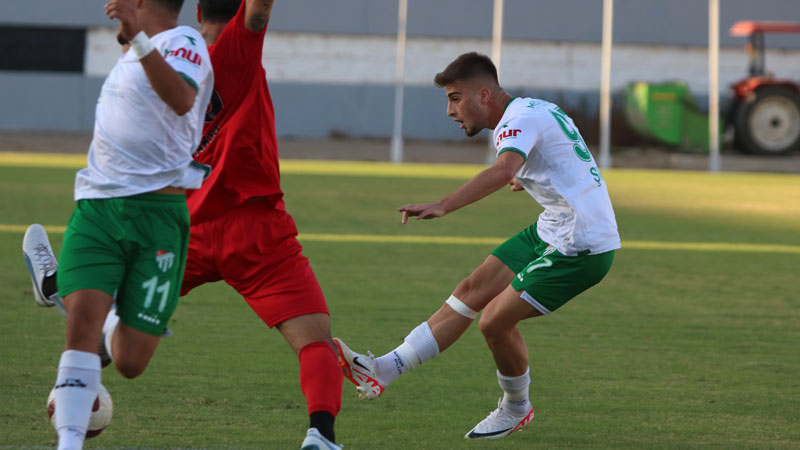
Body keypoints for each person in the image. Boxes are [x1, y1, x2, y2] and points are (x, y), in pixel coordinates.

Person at [24, 1, 343, 448]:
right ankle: (321, 436)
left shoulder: (157, 54)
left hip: (182, 225)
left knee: (107, 316)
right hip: (253, 230)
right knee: (314, 342)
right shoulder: (234, 49)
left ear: (197, 10)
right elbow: (258, 11)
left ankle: (62, 296)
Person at [333, 52, 621, 440]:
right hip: (554, 226)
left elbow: (503, 170)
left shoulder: (515, 123)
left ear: (483, 94)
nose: (450, 110)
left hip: (581, 244)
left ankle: (516, 408)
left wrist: (443, 204)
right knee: (471, 290)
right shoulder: (535, 109)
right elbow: (560, 155)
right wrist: (530, 176)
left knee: (494, 322)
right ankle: (383, 369)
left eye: (455, 98)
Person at [21, 1, 213, 449]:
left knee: (129, 360)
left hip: (158, 221)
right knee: (81, 332)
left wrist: (138, 37)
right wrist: (132, 37)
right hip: (98, 208)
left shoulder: (184, 43)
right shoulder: (137, 50)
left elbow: (182, 99)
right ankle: (69, 444)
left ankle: (54, 287)